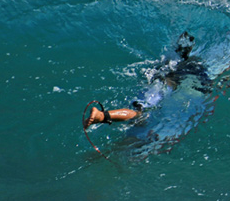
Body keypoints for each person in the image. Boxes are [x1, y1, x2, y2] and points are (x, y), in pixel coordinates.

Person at [84, 32, 212, 129]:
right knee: (139, 114)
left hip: (152, 86)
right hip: (160, 89)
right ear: (190, 49)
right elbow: (204, 84)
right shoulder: (193, 63)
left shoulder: (167, 60)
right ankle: (101, 116)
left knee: (140, 119)